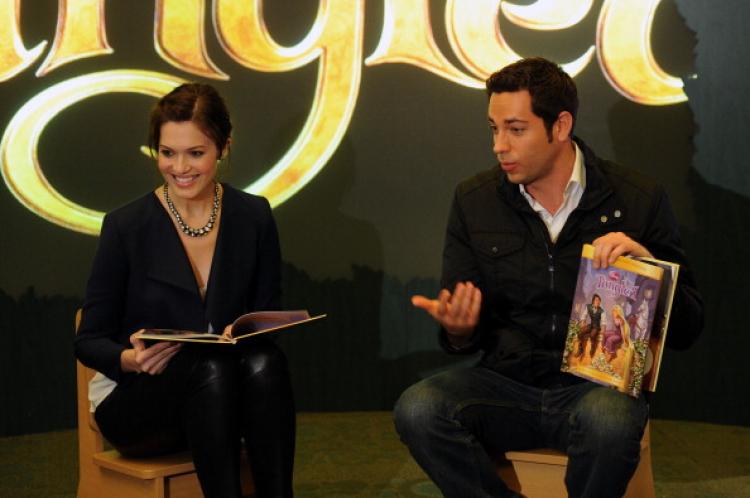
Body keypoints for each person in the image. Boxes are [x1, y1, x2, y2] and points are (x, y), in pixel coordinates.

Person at [395, 57, 704, 498]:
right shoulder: (474, 200)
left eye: (515, 130)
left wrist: (651, 269)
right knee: (419, 408)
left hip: (595, 389)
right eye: (493, 129)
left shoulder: (638, 199)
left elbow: (690, 328)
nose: (499, 146)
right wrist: (458, 329)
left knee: (609, 420)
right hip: (505, 384)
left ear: (560, 126)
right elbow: (462, 330)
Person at [74, 83, 295, 498]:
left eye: (196, 153)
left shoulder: (254, 215)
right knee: (209, 369)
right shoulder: (125, 226)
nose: (180, 167)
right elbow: (87, 341)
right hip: (139, 402)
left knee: (265, 361)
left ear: (224, 147)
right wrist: (130, 359)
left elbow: (268, 318)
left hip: (228, 392)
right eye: (167, 153)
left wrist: (244, 334)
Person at [576, 293, 605, 358]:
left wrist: (603, 330)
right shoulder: (588, 307)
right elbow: (584, 315)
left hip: (597, 327)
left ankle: (592, 347)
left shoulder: (601, 311)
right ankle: (580, 348)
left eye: (599, 301)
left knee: (592, 335)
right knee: (580, 332)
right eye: (596, 300)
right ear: (593, 301)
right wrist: (583, 322)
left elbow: (603, 322)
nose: (598, 302)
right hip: (591, 325)